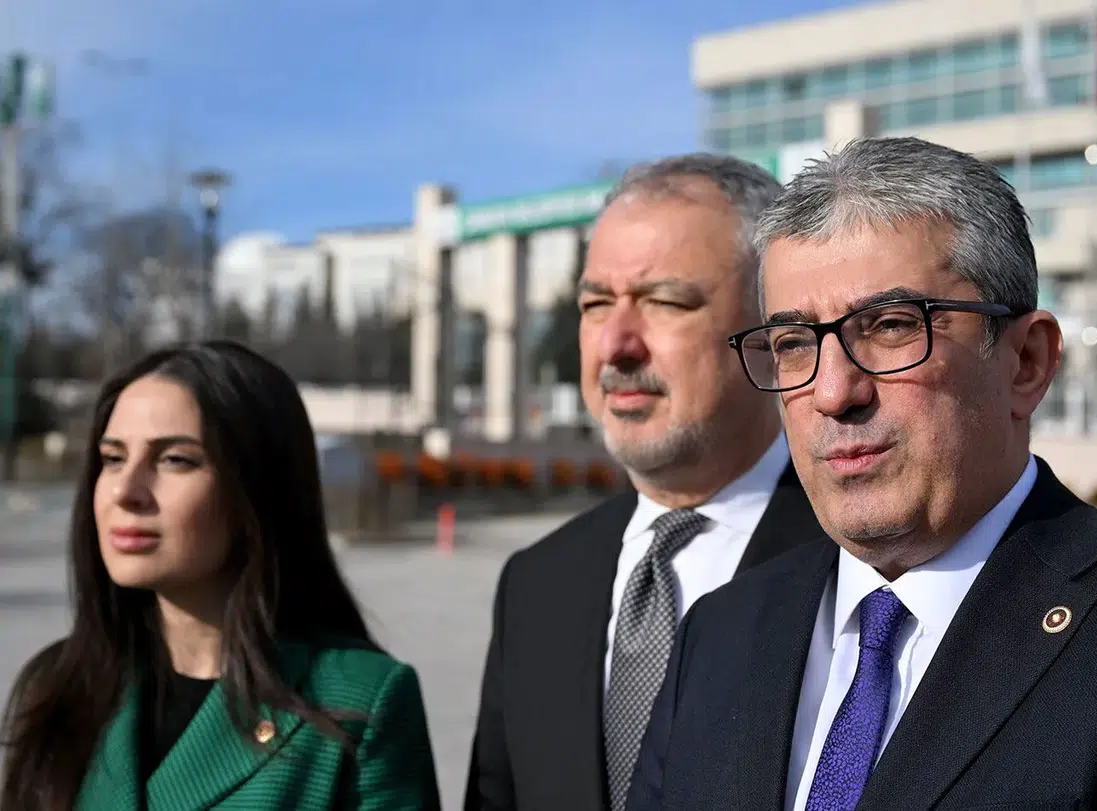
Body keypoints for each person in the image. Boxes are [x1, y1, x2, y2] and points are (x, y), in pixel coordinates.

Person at [627, 136, 1097, 811]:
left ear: (1026, 362)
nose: (833, 392)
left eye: (890, 326)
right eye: (794, 343)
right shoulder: (718, 633)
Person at [464, 154, 824, 811]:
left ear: (773, 332)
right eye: (595, 304)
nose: (616, 345)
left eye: (665, 301)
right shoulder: (535, 585)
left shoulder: (860, 566)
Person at [0, 341, 442, 811]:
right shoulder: (58, 686)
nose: (126, 491)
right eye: (113, 458)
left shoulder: (360, 702)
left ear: (258, 486)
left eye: (175, 460)